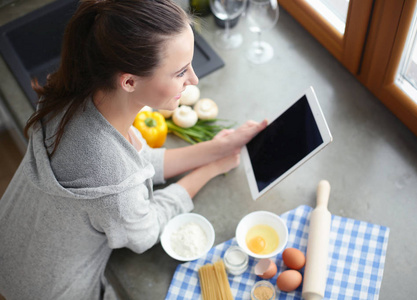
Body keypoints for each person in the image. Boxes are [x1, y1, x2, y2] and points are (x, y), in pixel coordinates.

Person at [0, 0, 267, 299]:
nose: (193, 79)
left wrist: (215, 148)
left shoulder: (71, 93)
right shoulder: (111, 174)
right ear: (128, 81)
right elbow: (146, 231)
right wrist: (210, 169)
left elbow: (135, 162)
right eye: (180, 72)